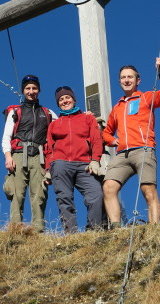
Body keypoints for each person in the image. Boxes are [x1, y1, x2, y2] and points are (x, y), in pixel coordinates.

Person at [102, 57, 160, 227]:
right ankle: (115, 229)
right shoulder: (117, 107)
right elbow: (106, 133)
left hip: (143, 149)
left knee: (148, 190)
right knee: (109, 187)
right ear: (119, 81)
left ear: (137, 80)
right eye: (123, 77)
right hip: (122, 154)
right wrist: (114, 141)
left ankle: (154, 228)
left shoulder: (146, 97)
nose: (126, 80)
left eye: (130, 77)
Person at [1, 74, 57, 232]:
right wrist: (8, 157)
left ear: (39, 90)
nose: (31, 91)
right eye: (28, 88)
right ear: (23, 91)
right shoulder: (15, 112)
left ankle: (37, 229)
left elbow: (62, 127)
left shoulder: (48, 113)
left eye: (34, 88)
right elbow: (6, 136)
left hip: (39, 156)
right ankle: (15, 228)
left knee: (39, 194)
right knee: (17, 193)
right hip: (18, 154)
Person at [44, 86, 104, 232]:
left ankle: (93, 230)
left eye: (67, 97)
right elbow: (49, 148)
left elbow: (96, 140)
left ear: (74, 99)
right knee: (64, 199)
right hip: (60, 164)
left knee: (96, 195)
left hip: (84, 164)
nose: (65, 101)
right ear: (58, 104)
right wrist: (47, 169)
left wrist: (95, 160)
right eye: (61, 99)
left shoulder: (87, 118)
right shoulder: (54, 124)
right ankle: (71, 234)